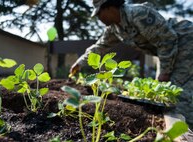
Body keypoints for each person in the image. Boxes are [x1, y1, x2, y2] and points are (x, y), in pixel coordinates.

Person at [69, 0, 193, 130]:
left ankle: (185, 130)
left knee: (178, 91)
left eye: (99, 13)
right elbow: (100, 46)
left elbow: (167, 39)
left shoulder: (137, 13)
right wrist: (80, 62)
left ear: (109, 7)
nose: (99, 18)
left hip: (186, 41)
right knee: (162, 89)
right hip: (169, 49)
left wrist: (165, 72)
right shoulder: (115, 28)